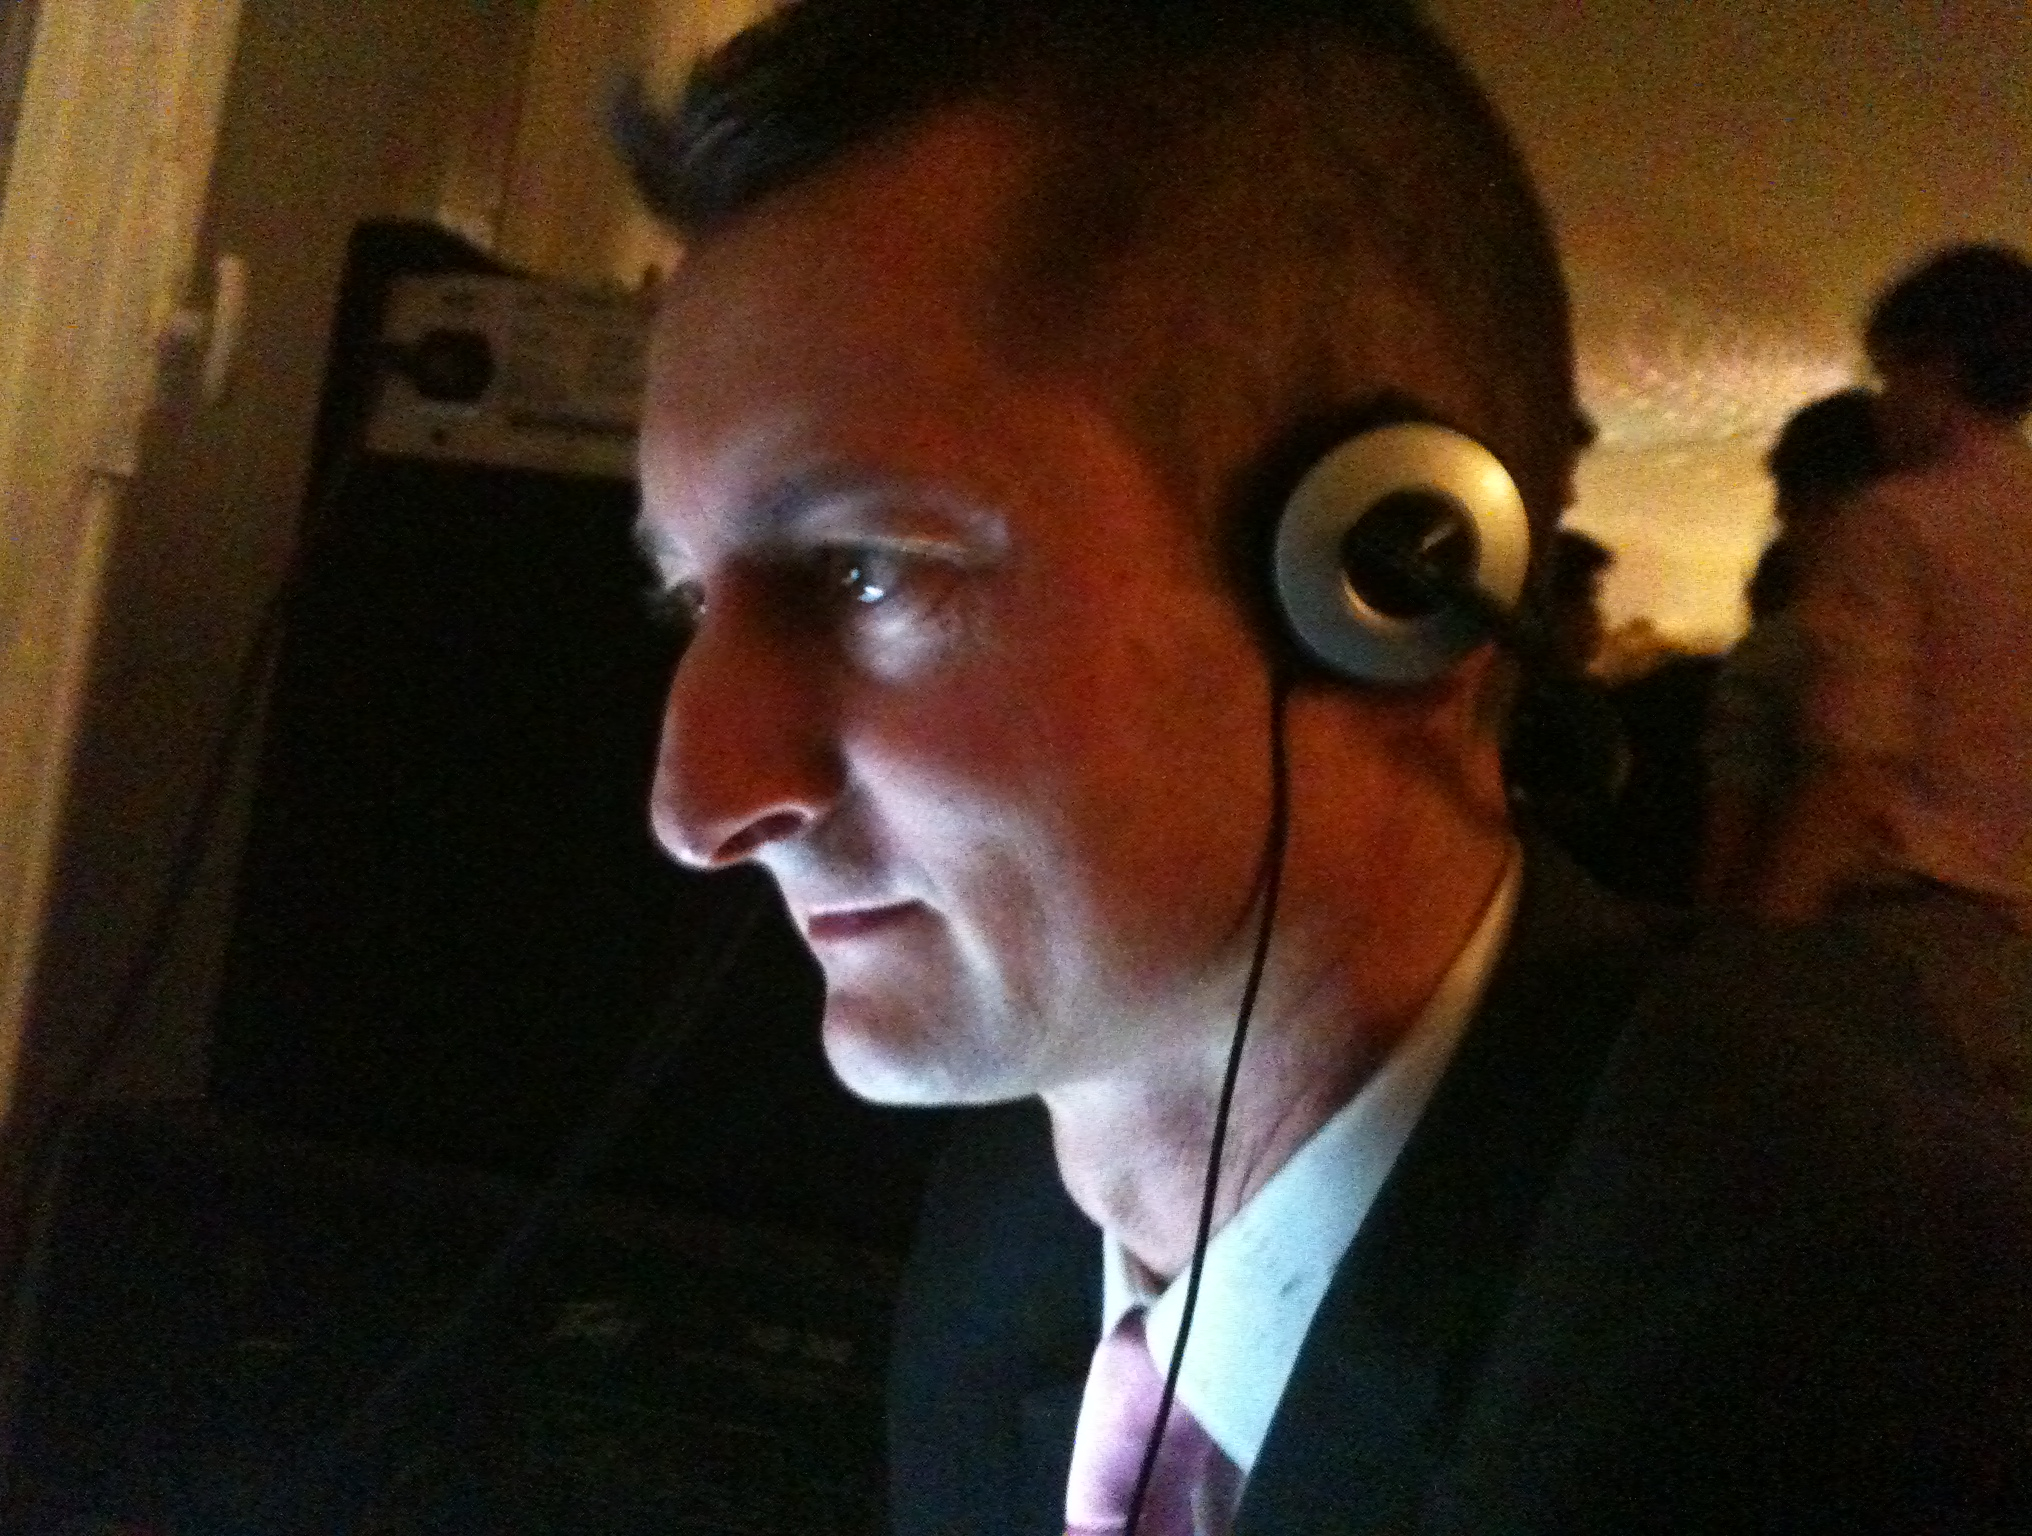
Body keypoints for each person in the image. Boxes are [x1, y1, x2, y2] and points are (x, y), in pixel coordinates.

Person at [616, 4, 2032, 1532]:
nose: (696, 806)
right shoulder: (1012, 1225)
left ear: (1386, 575)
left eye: (869, 569)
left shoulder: (1855, 1346)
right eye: (693, 597)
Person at [1760, 245, 2032, 930]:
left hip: (1919, 917)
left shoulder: (1895, 522)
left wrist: (1760, 934)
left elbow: (1857, 765)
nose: (1882, 408)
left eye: (1888, 376)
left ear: (1936, 366)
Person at [1701, 388, 1884, 907]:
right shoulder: (1978, 647)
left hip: (1816, 931)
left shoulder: (1779, 656)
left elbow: (1732, 841)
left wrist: (1728, 936)